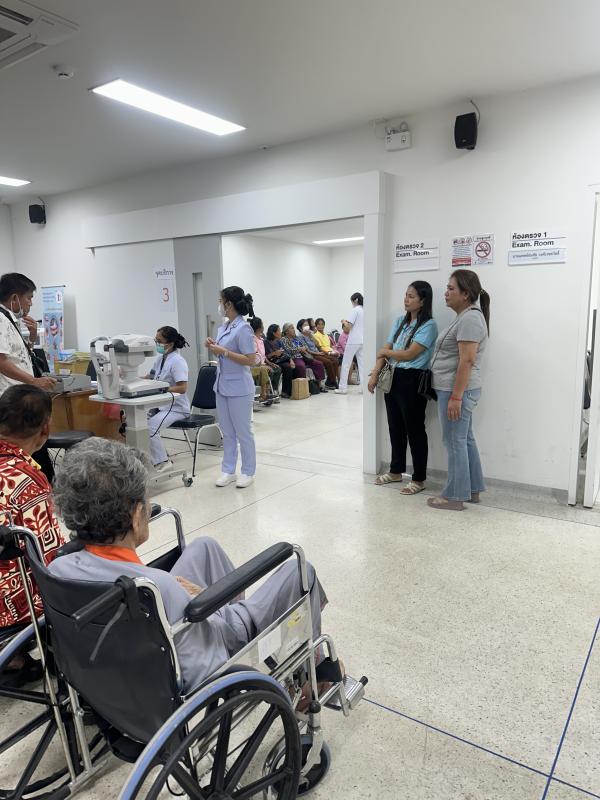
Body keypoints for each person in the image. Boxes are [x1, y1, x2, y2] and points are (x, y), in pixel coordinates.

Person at [49, 439, 328, 693]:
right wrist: (203, 599)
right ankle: (314, 676)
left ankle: (235, 606)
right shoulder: (159, 587)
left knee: (204, 547)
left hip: (131, 642)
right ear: (136, 516)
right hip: (210, 638)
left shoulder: (60, 568)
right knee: (301, 570)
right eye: (147, 499)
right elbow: (203, 662)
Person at [0, 385, 64, 686]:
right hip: (10, 609)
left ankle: (13, 658)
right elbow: (48, 556)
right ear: (45, 428)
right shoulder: (26, 480)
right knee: (75, 580)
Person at [428, 270, 490, 512]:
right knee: (464, 439)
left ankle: (455, 496)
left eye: (451, 288)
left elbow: (467, 360)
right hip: (457, 389)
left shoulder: (470, 319)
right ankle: (472, 488)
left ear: (466, 294)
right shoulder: (464, 317)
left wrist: (456, 396)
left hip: (457, 391)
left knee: (455, 441)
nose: (446, 292)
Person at [368, 282, 438, 495]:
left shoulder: (429, 325)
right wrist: (374, 373)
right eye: (406, 295)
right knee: (395, 426)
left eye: (411, 296)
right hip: (393, 377)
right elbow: (386, 349)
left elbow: (409, 354)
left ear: (423, 301)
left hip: (413, 379)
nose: (406, 299)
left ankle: (418, 478)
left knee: (415, 430)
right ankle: (396, 470)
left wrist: (385, 353)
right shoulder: (400, 321)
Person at [0, 273, 57, 482]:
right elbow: (1, 361)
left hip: (18, 398)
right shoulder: (0, 319)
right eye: (29, 298)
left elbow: (17, 357)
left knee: (34, 454)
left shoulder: (9, 320)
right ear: (15, 298)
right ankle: (39, 486)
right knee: (27, 454)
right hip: (12, 401)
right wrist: (33, 381)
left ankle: (42, 484)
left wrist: (32, 338)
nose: (31, 303)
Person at [205, 287, 257, 488]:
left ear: (229, 304)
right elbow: (221, 353)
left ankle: (247, 471)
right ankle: (228, 470)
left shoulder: (243, 328)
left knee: (243, 432)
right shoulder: (224, 327)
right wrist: (213, 346)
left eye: (221, 301)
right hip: (222, 385)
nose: (219, 305)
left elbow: (250, 359)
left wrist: (224, 352)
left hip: (240, 388)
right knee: (227, 432)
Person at [144, 326, 191, 472]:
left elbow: (182, 388)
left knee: (150, 428)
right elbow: (150, 377)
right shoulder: (160, 359)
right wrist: (129, 378)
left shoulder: (178, 361)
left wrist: (163, 389)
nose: (156, 343)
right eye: (155, 340)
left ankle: (163, 462)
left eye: (159, 341)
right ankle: (149, 458)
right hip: (161, 406)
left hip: (176, 408)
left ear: (170, 344)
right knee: (135, 422)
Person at [278, 323, 327, 389]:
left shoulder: (296, 338)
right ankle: (302, 387)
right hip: (295, 358)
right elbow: (288, 350)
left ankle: (319, 385)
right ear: (286, 331)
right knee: (301, 366)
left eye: (293, 328)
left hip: (304, 356)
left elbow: (305, 346)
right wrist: (299, 349)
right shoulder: (284, 339)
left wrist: (304, 348)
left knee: (318, 364)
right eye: (292, 328)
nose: (294, 330)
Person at [335, 292, 364, 394]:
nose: (352, 304)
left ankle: (343, 388)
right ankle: (364, 388)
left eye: (352, 301)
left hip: (353, 340)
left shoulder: (355, 310)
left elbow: (348, 327)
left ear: (355, 300)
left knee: (346, 364)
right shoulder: (364, 310)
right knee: (362, 365)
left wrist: (344, 321)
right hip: (362, 340)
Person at [297, 319, 338, 389]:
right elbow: (307, 350)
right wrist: (317, 353)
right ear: (300, 328)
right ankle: (333, 382)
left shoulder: (309, 334)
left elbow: (317, 344)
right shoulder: (300, 337)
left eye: (307, 325)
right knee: (328, 362)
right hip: (312, 355)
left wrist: (311, 335)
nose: (307, 326)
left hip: (317, 352)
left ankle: (329, 382)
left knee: (335, 360)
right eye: (305, 325)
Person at [250, 317, 281, 401]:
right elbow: (255, 356)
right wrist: (263, 365)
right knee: (269, 371)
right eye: (262, 324)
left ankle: (272, 391)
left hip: (262, 362)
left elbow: (263, 356)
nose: (263, 327)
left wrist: (270, 363)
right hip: (256, 364)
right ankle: (265, 393)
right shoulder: (252, 339)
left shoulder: (261, 339)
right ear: (259, 327)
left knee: (277, 368)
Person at [264, 325, 295, 398]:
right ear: (274, 333)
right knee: (280, 368)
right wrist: (274, 353)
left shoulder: (278, 341)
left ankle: (285, 392)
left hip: (280, 360)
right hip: (271, 362)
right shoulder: (265, 342)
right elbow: (265, 357)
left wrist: (291, 360)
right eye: (279, 330)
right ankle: (274, 390)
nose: (280, 332)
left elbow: (285, 353)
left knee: (288, 367)